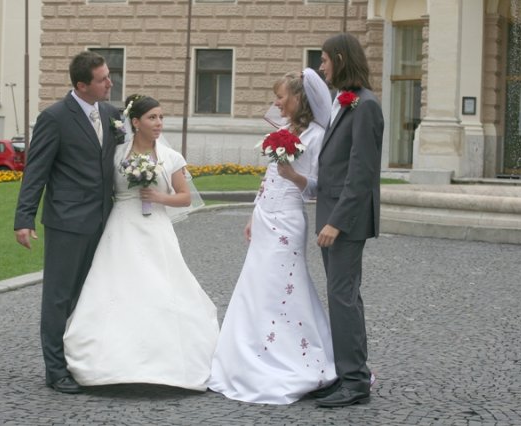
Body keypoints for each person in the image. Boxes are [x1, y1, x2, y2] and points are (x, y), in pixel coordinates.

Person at [63, 94, 219, 391]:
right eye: (152, 118)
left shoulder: (171, 157)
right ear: (135, 122)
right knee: (116, 286)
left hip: (156, 228)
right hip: (122, 226)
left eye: (161, 117)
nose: (159, 123)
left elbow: (185, 197)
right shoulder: (116, 155)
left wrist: (159, 197)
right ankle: (110, 357)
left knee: (161, 284)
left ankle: (166, 356)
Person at [207, 69, 337, 404]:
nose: (276, 103)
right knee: (256, 282)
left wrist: (293, 175)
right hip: (265, 215)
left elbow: (317, 187)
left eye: (280, 97)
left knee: (284, 283)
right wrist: (255, 213)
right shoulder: (284, 131)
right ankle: (250, 349)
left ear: (298, 98)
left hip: (289, 218)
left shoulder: (317, 136)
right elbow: (268, 177)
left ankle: (293, 352)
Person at [14, 51, 121, 394]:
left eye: (108, 75)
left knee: (90, 295)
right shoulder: (54, 118)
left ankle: (82, 361)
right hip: (67, 221)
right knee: (59, 297)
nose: (110, 83)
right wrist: (24, 219)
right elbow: (36, 171)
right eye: (103, 79)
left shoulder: (112, 114)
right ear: (82, 85)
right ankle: (56, 370)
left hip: (104, 220)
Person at [312, 33, 384, 408]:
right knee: (342, 297)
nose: (321, 66)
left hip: (345, 221)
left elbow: (362, 173)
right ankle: (347, 374)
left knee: (343, 298)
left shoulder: (366, 105)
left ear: (340, 59)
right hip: (334, 215)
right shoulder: (346, 101)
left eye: (324, 59)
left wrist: (336, 222)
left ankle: (355, 380)